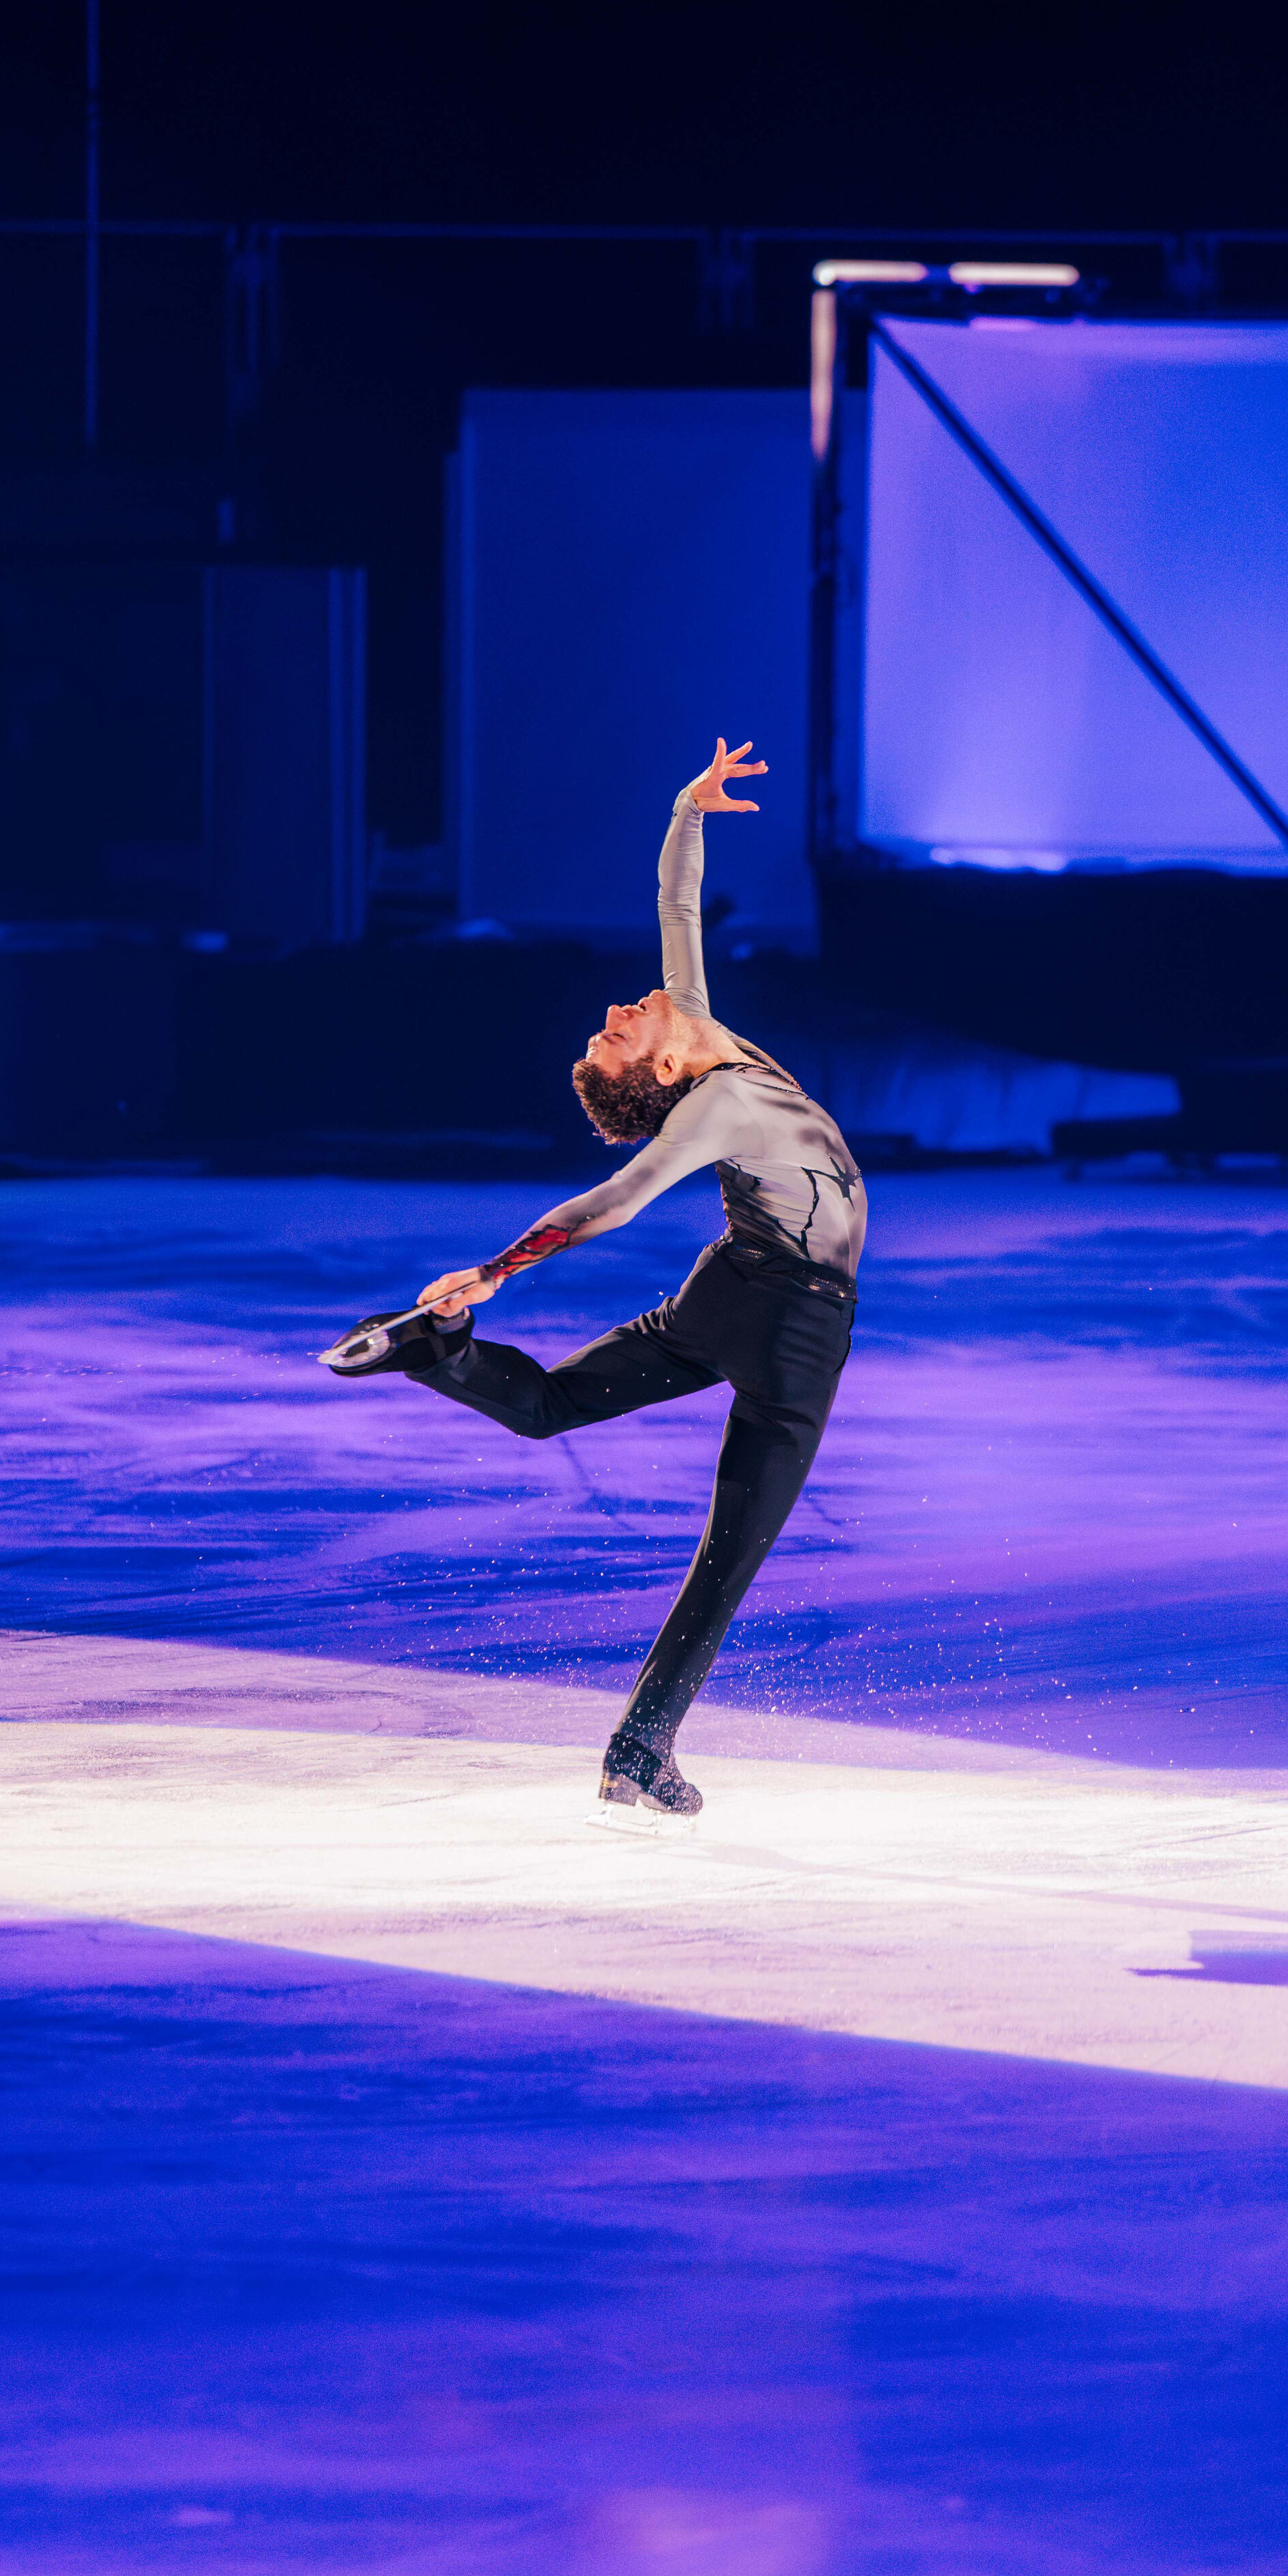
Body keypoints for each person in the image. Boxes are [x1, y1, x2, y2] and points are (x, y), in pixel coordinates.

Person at [320, 739, 865, 1830]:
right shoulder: (711, 1104)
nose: (619, 1012)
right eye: (619, 1037)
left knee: (553, 1406)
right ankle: (638, 1746)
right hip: (797, 1324)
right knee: (728, 1559)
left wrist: (688, 807)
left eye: (612, 1027)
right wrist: (496, 1268)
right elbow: (615, 1200)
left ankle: (436, 1348)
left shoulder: (692, 1017)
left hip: (728, 1291)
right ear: (662, 1073)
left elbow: (677, 898)